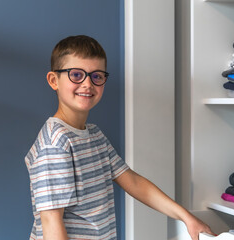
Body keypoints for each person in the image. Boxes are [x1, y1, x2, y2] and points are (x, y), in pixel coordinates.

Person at [25, 35, 214, 240]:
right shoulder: (55, 144)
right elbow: (51, 221)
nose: (88, 84)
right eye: (77, 75)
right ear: (54, 80)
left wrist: (186, 217)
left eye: (96, 76)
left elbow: (133, 181)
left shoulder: (94, 135)